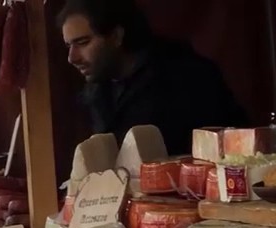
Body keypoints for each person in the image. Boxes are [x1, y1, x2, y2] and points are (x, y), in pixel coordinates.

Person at [56, 0, 248, 153]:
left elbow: (233, 149)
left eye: (83, 42)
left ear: (116, 36)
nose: (71, 58)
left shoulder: (186, 76)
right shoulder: (97, 92)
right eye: (68, 46)